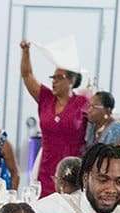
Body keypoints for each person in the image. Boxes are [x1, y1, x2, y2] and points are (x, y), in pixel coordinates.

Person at [19, 41, 88, 197]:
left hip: (72, 169)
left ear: (72, 80)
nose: (53, 81)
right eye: (53, 77)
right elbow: (27, 75)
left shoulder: (83, 103)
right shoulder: (46, 98)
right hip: (47, 168)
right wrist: (26, 52)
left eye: (59, 77)